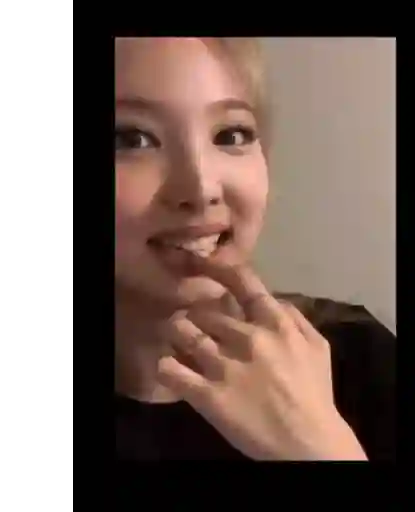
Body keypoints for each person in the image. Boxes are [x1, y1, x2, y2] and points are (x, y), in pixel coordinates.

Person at [115, 37, 395, 461]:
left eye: (231, 134)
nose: (201, 189)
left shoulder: (362, 359)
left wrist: (319, 445)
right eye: (131, 139)